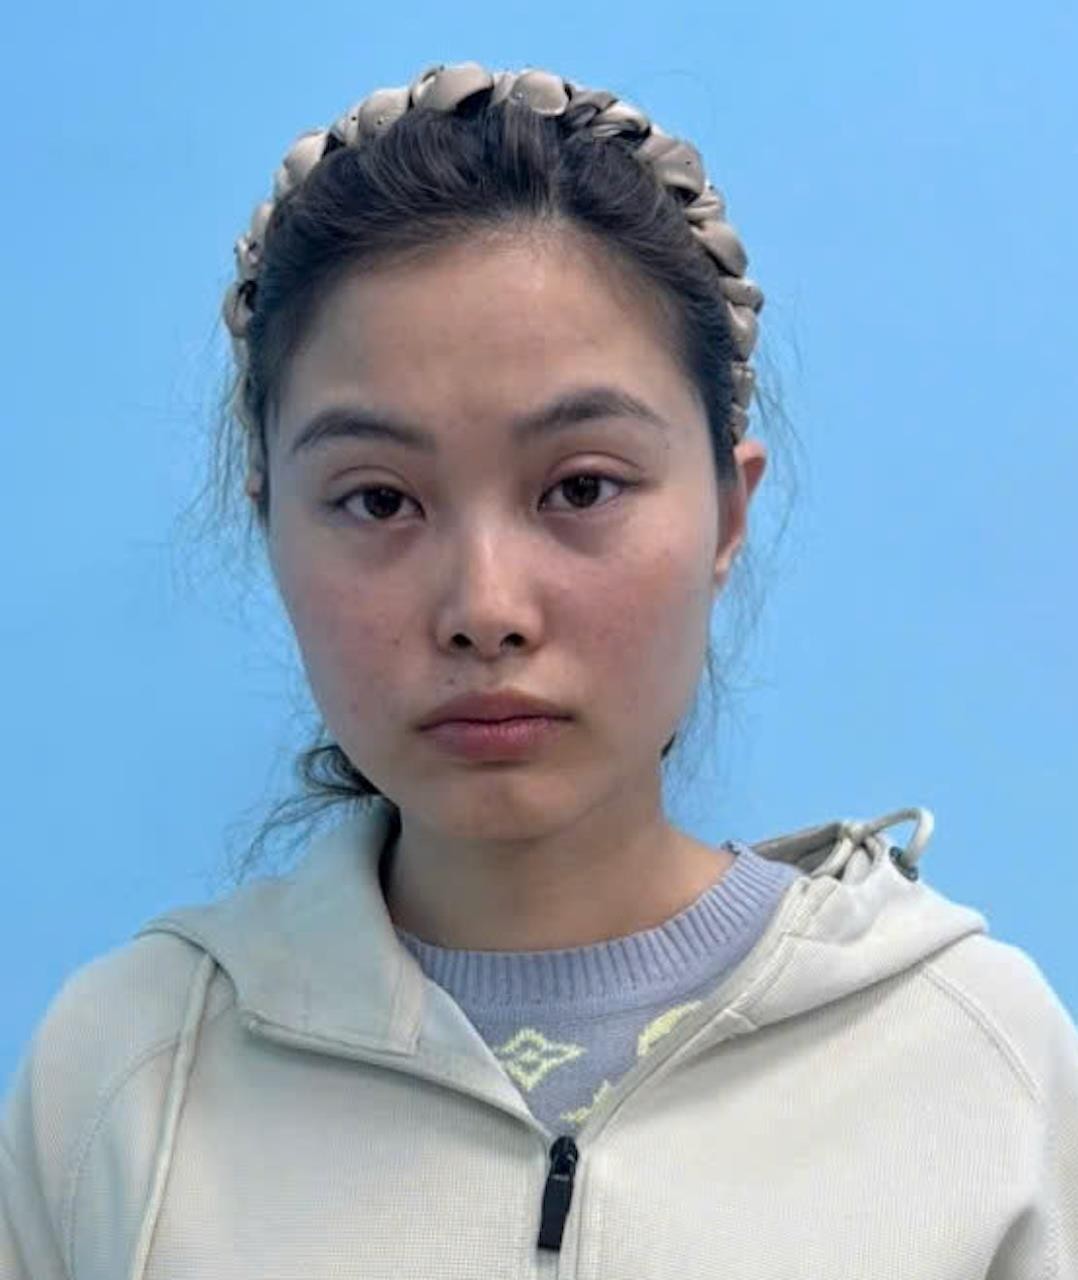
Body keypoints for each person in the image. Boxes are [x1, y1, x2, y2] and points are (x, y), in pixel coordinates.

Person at [2, 60, 1075, 1279]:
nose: (485, 609)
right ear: (270, 527)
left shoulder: (977, 1063)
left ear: (727, 513)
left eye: (580, 487)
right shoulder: (125, 1078)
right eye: (377, 499)